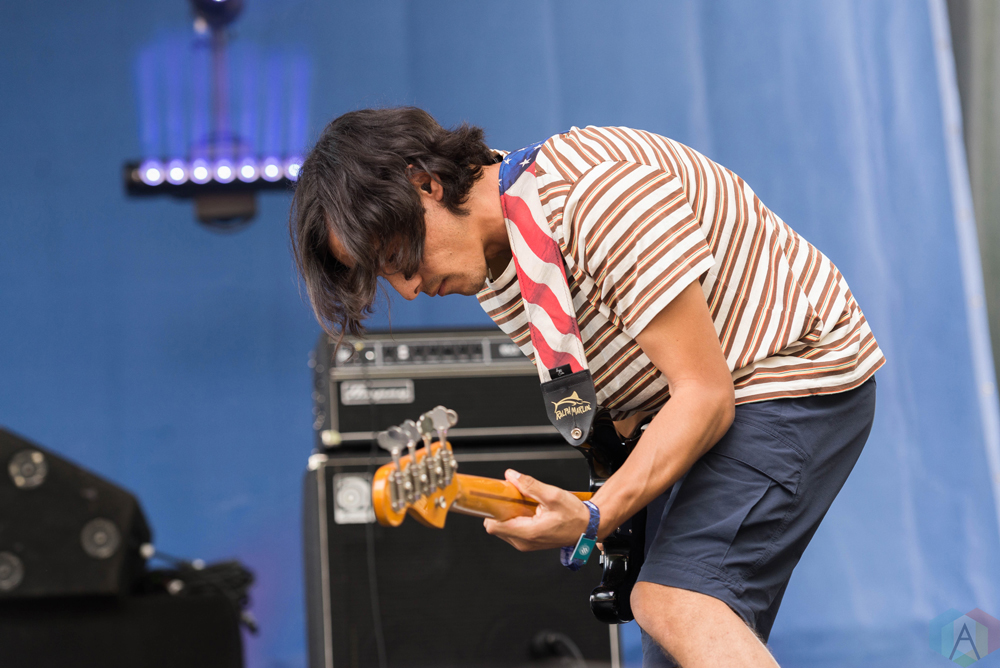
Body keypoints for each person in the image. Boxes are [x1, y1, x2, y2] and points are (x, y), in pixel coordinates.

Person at [290, 107, 883, 668]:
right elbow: (624, 401)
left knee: (675, 602)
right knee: (676, 641)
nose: (409, 288)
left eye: (398, 256)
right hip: (705, 402)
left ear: (425, 183)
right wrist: (596, 501)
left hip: (791, 371)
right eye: (386, 277)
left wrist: (596, 515)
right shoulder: (498, 262)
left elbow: (705, 394)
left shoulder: (593, 200)